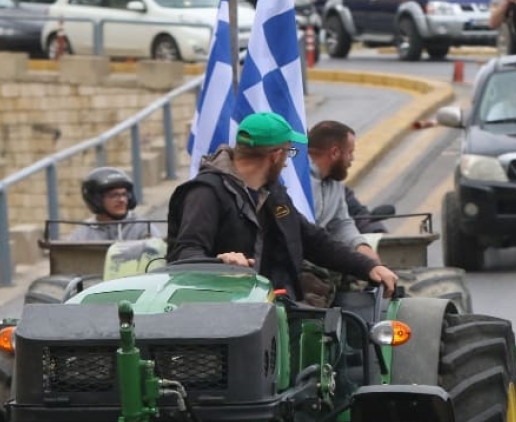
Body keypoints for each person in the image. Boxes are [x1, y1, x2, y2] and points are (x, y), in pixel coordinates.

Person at [166, 111, 399, 301]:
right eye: (289, 152)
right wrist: (221, 262)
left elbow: (313, 240)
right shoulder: (206, 193)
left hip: (276, 307)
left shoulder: (273, 194)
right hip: (223, 313)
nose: (289, 162)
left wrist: (368, 267)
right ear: (276, 155)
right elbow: (186, 252)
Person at [306, 120, 380, 263]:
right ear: (334, 153)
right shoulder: (298, 181)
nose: (352, 159)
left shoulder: (335, 181)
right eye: (350, 152)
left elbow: (340, 223)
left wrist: (362, 247)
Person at [67, 167, 157, 241]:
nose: (122, 200)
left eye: (124, 194)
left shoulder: (143, 227)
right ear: (96, 200)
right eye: (114, 195)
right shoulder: (83, 233)